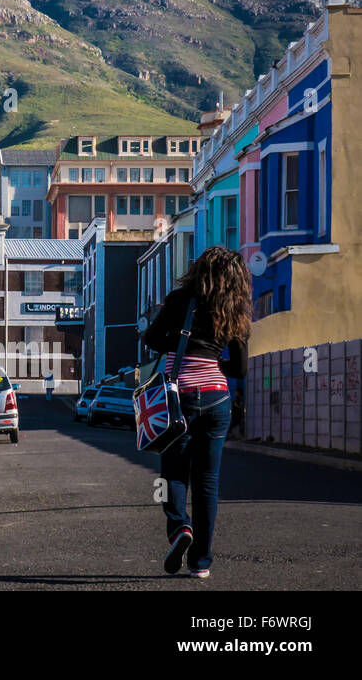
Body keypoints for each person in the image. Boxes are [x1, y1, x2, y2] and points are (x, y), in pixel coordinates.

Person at [142, 246, 250, 579]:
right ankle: (201, 563)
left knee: (173, 473)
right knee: (208, 483)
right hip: (218, 399)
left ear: (198, 269)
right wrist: (213, 359)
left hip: (180, 396)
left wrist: (178, 342)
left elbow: (151, 339)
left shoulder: (179, 299)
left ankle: (179, 528)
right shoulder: (235, 308)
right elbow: (241, 368)